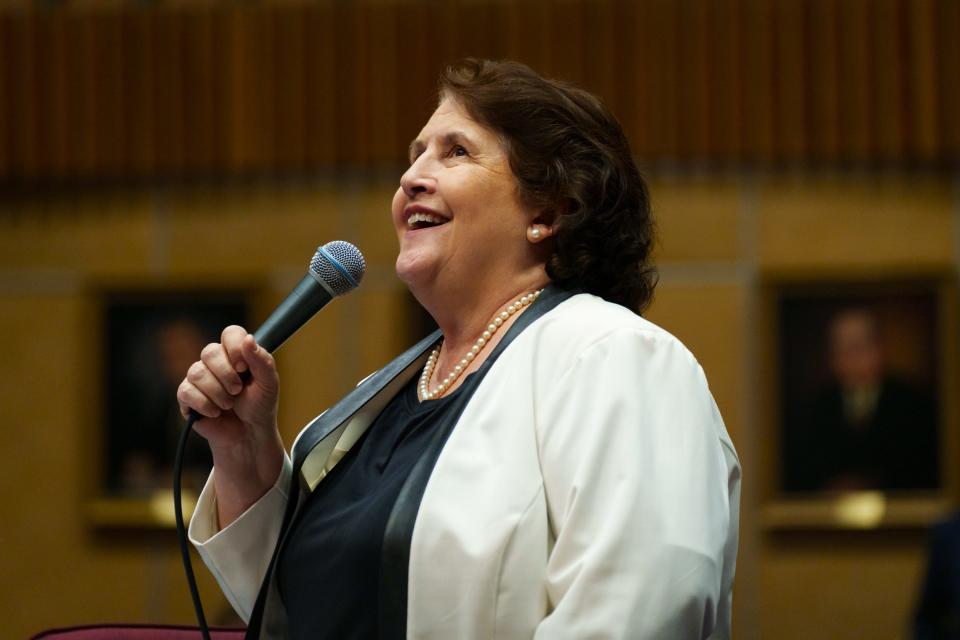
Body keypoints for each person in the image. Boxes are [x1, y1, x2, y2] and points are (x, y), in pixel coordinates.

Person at [181, 59, 740, 639]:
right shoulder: (390, 395)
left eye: (455, 152)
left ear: (549, 211)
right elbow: (299, 607)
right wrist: (244, 451)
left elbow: (640, 609)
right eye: (414, 154)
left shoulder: (617, 358)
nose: (412, 177)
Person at [784, 307, 938, 492]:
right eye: (843, 350)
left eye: (859, 347)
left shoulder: (913, 405)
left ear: (879, 349)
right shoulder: (816, 408)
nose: (852, 358)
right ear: (832, 357)